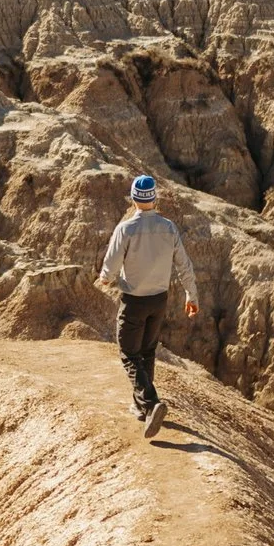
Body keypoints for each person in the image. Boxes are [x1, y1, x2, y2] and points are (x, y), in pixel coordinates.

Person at [97, 174, 198, 437]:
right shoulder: (168, 227)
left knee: (129, 353)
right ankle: (140, 407)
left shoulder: (126, 229)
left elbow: (110, 267)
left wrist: (105, 278)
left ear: (133, 198)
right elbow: (183, 264)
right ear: (154, 198)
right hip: (159, 300)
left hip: (134, 301)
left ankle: (152, 404)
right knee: (147, 352)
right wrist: (191, 295)